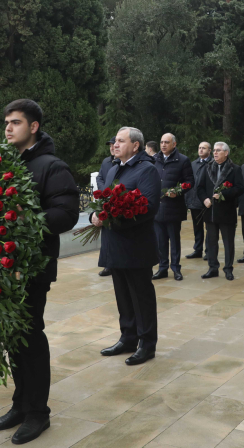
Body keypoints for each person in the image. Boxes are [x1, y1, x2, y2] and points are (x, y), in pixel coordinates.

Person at [0, 100, 79, 444]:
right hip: (3, 267)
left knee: (30, 337)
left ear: (34, 127)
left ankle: (38, 412)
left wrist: (20, 222)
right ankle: (20, 404)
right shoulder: (7, 163)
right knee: (13, 338)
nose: (8, 128)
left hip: (32, 268)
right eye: (6, 122)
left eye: (15, 122)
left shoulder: (52, 166)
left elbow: (66, 214)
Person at [93, 127, 161, 365]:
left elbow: (149, 207)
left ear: (135, 145)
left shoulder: (147, 170)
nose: (115, 144)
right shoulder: (113, 169)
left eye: (121, 141)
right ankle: (128, 337)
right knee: (122, 296)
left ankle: (147, 344)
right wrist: (96, 215)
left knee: (141, 297)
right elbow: (104, 200)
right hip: (114, 244)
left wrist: (115, 218)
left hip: (136, 246)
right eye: (115, 141)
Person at [197, 142, 244, 280]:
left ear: (226, 153)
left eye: (218, 150)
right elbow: (199, 187)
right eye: (214, 151)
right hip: (210, 211)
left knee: (228, 243)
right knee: (211, 242)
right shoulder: (207, 167)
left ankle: (228, 269)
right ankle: (212, 268)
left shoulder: (234, 169)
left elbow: (240, 188)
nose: (215, 153)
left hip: (226, 212)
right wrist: (204, 199)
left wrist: (224, 194)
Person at [153, 133, 194, 281]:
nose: (163, 145)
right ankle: (162, 268)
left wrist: (178, 191)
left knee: (174, 241)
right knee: (160, 241)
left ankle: (176, 268)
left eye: (167, 142)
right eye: (161, 142)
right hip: (157, 208)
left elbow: (189, 182)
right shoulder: (155, 159)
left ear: (174, 144)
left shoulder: (182, 160)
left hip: (173, 208)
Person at [184, 142, 212, 259]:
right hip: (194, 200)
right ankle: (198, 249)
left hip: (207, 201)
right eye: (199, 148)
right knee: (197, 227)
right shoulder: (193, 164)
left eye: (203, 148)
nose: (200, 150)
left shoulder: (213, 164)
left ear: (209, 151)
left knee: (210, 228)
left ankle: (209, 251)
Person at [95, 138, 118, 278]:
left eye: (114, 145)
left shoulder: (122, 163)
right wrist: (104, 190)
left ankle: (116, 264)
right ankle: (107, 265)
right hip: (106, 201)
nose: (112, 147)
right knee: (106, 236)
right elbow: (99, 177)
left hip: (118, 203)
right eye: (110, 145)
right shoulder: (106, 162)